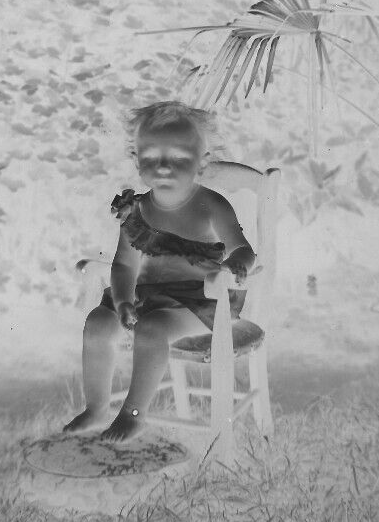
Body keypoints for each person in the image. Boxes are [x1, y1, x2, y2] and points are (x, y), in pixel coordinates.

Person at [63, 101, 255, 442]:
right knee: (96, 322)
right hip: (149, 293)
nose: (164, 167)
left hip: (200, 299)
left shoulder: (211, 205)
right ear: (137, 161)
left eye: (179, 157)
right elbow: (124, 264)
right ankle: (96, 407)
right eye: (151, 157)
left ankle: (133, 414)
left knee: (152, 329)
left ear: (202, 161)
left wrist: (237, 262)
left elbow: (242, 247)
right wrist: (121, 301)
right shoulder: (136, 210)